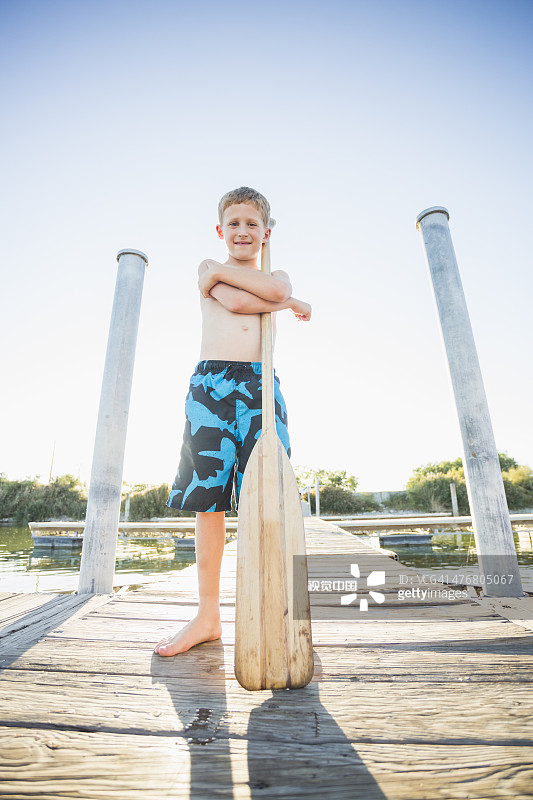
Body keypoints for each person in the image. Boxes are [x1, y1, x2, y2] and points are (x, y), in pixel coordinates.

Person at [154, 186, 311, 656]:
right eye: (234, 224)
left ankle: (280, 612)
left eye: (252, 224)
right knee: (209, 502)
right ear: (222, 231)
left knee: (271, 496)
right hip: (211, 386)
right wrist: (287, 305)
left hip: (261, 384)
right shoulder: (208, 269)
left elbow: (277, 287)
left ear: (265, 233)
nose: (243, 232)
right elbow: (242, 305)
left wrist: (282, 295)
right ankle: (207, 616)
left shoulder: (275, 272)